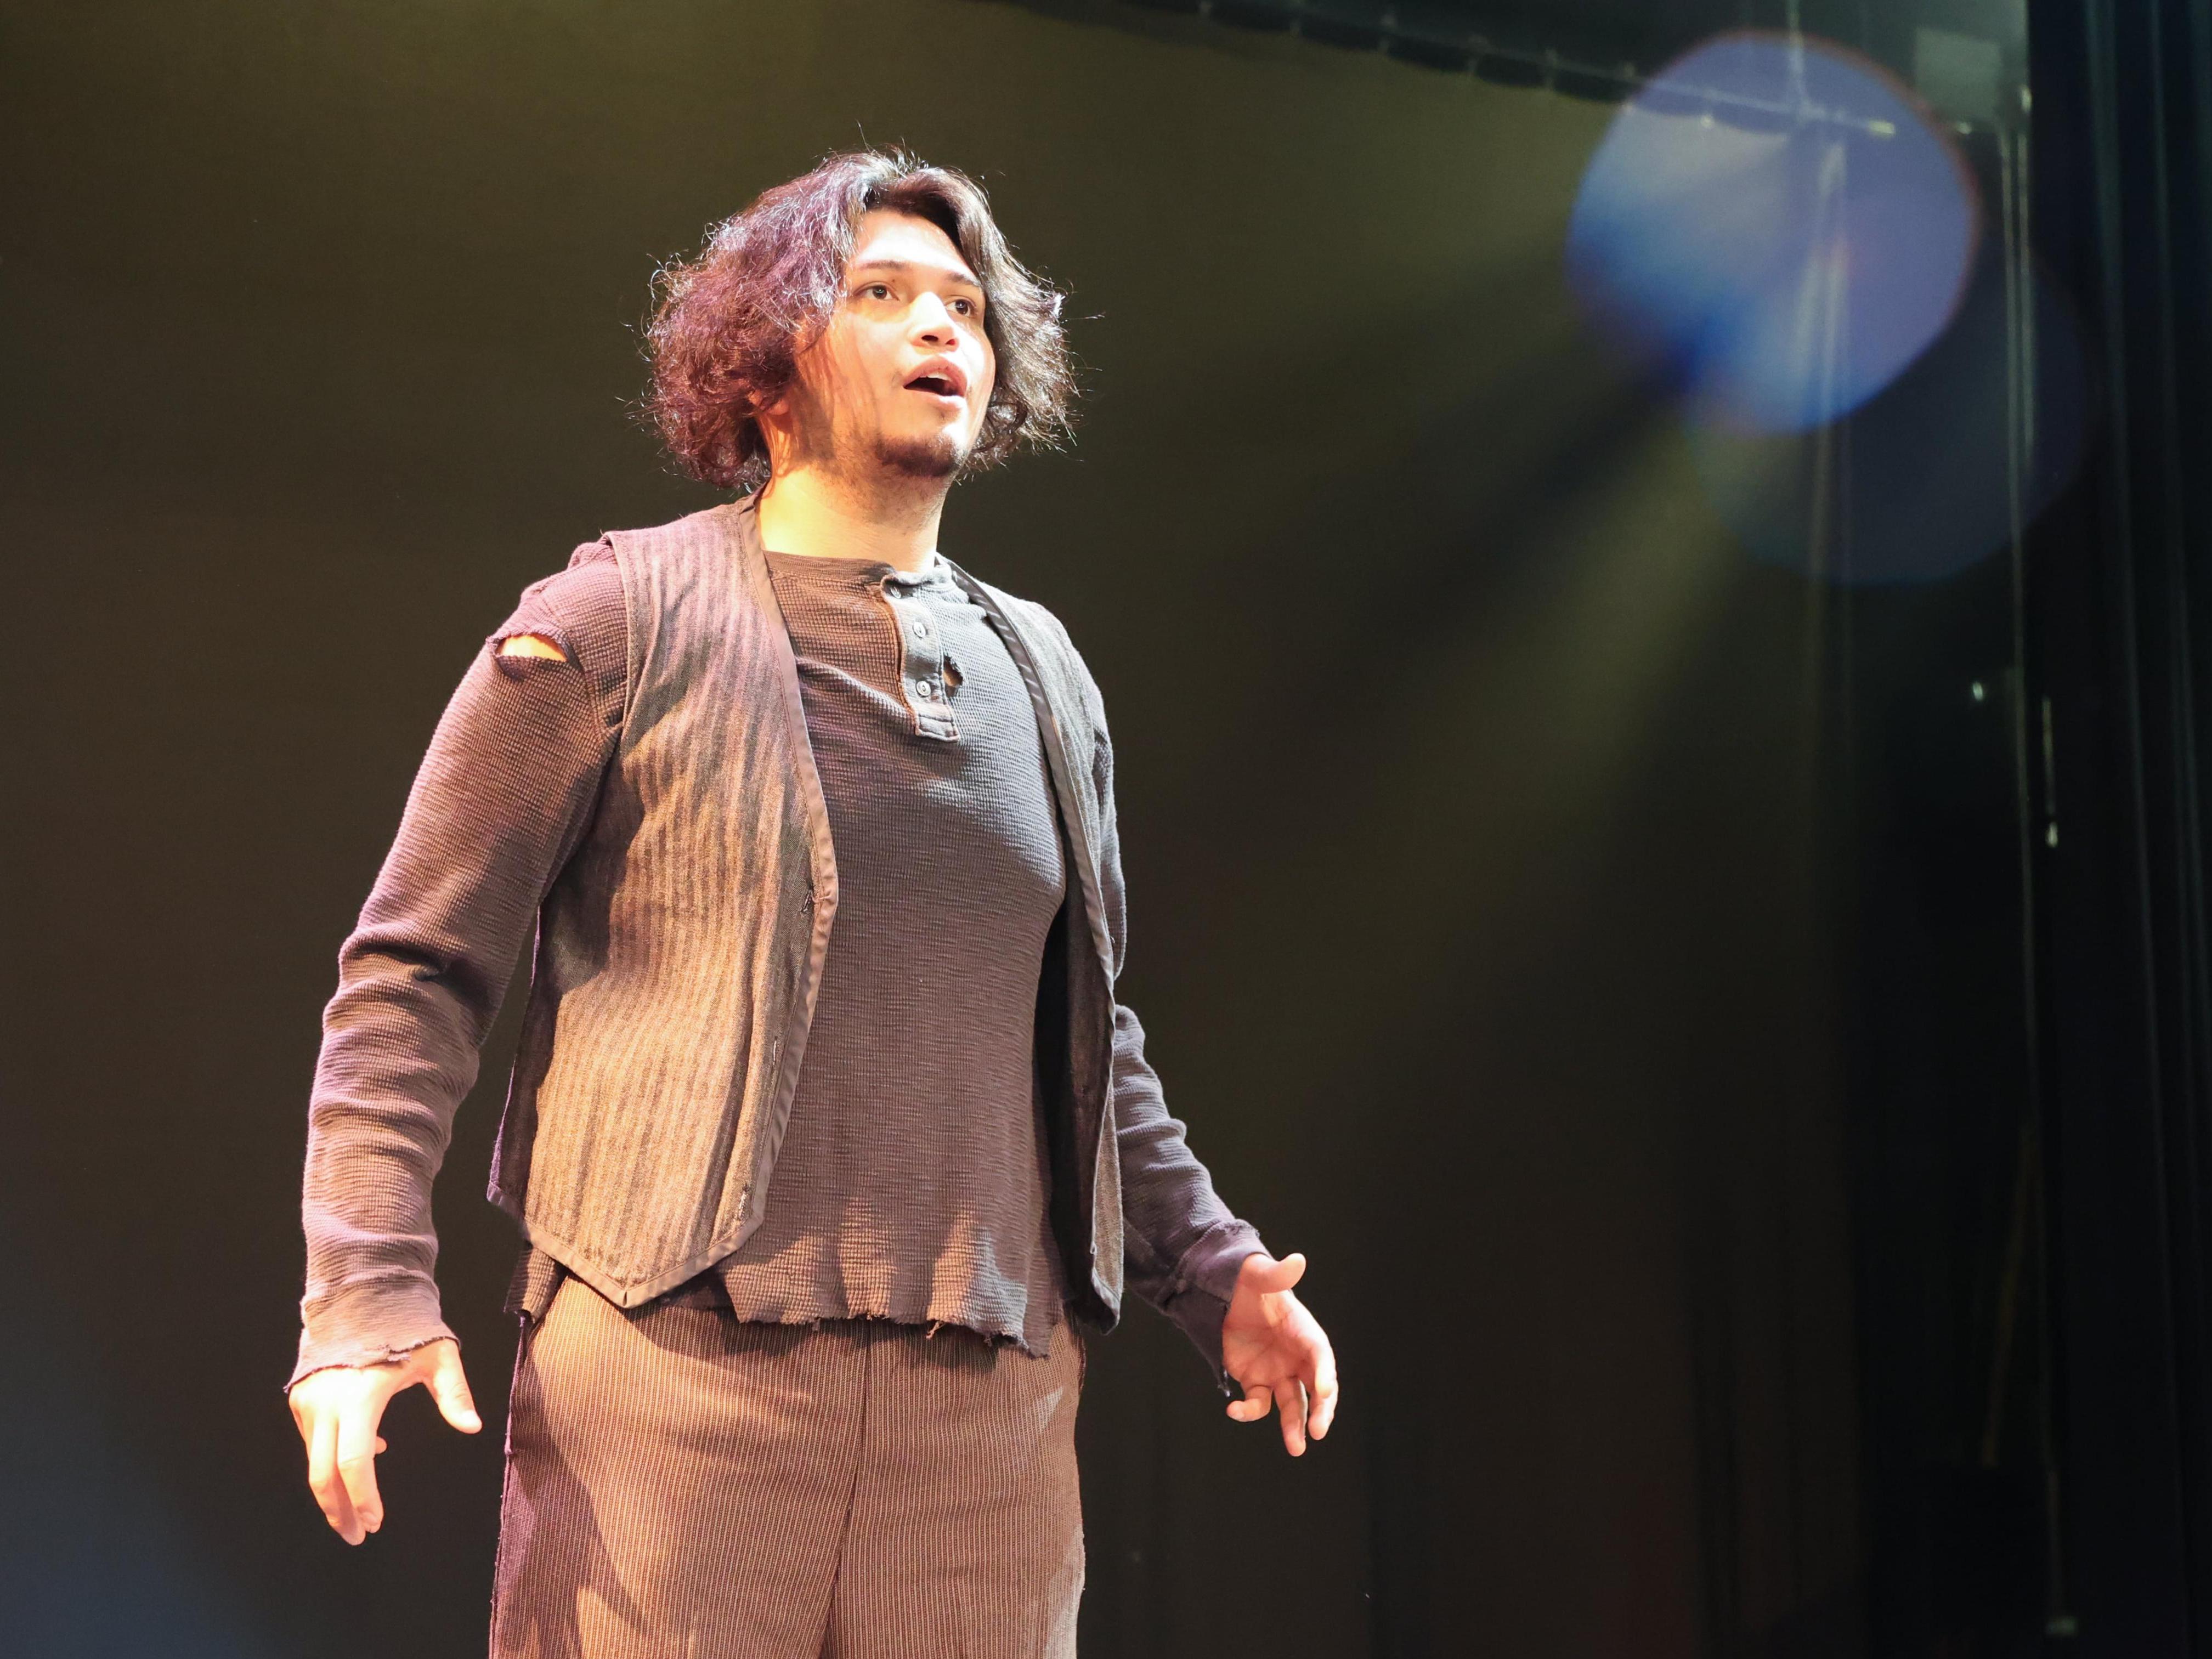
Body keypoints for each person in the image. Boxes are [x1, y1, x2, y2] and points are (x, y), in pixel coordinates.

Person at [284, 148, 1338, 1656]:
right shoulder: (609, 622)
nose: (941, 332)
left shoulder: (1046, 674)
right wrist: (364, 1289)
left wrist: (1215, 1267)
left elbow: (1085, 1039)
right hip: (671, 1388)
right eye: (883, 293)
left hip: (986, 1419)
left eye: (968, 307)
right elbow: (410, 976)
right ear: (768, 365)